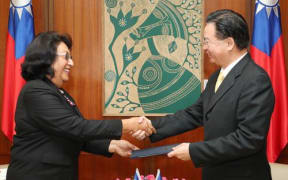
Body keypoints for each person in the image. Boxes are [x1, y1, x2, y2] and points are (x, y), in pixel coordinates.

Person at [133, 9, 275, 180]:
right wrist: (151, 127)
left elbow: (248, 139)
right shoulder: (217, 76)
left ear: (229, 43)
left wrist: (194, 151)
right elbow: (194, 114)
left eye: (207, 41)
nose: (204, 47)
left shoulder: (255, 79)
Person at [6, 31, 155, 180]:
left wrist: (113, 145)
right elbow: (76, 127)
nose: (71, 63)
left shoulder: (59, 92)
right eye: (66, 57)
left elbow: (75, 134)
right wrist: (127, 124)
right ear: (46, 58)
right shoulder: (35, 91)